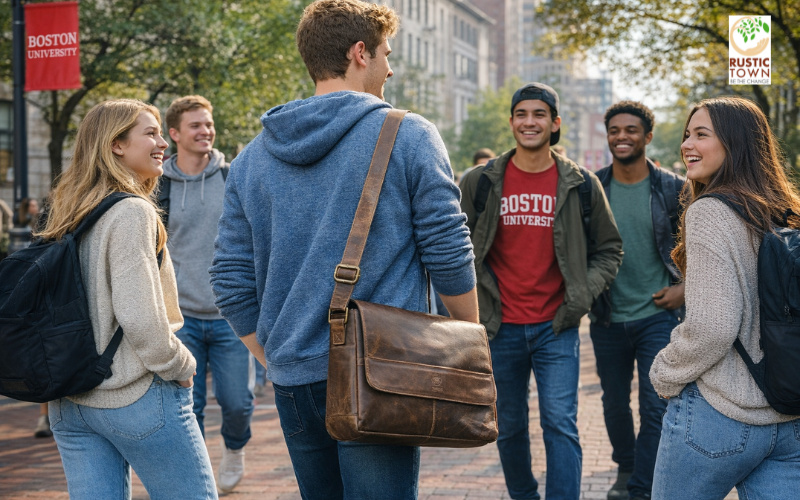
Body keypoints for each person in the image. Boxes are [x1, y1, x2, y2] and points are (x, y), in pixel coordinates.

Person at [209, 0, 479, 498]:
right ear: (360, 53)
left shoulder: (251, 158)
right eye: (386, 54)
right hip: (380, 370)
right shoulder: (408, 134)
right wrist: (468, 340)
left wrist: (276, 358)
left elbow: (229, 280)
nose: (390, 68)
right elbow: (447, 249)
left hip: (293, 378)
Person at [36, 99, 217, 499]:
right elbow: (140, 317)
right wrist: (181, 365)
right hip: (133, 394)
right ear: (116, 145)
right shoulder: (132, 212)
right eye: (150, 133)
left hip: (70, 401)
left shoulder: (67, 209)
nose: (162, 144)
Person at [460, 83, 623, 500]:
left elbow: (609, 249)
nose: (529, 122)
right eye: (521, 114)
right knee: (509, 426)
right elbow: (455, 247)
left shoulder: (581, 184)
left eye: (539, 114)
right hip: (499, 327)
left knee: (560, 425)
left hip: (557, 326)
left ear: (555, 123)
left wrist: (582, 295)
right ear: (511, 121)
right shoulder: (480, 181)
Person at [650, 96, 800, 499]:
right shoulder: (785, 212)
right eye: (687, 134)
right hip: (789, 417)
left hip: (719, 414)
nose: (687, 144)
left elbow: (712, 327)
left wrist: (664, 371)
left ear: (736, 143)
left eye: (702, 134)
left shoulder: (710, 211)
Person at [592, 101, 685, 500]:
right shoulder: (592, 187)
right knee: (614, 403)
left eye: (631, 130)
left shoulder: (674, 188)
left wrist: (686, 287)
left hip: (657, 314)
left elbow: (698, 248)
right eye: (614, 130)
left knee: (655, 405)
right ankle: (626, 465)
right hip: (607, 315)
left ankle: (641, 487)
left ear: (647, 136)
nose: (622, 137)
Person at [161, 95, 254, 494]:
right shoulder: (160, 186)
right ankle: (197, 477)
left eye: (209, 124)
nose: (206, 131)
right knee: (189, 407)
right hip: (181, 317)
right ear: (175, 133)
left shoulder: (231, 177)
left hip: (231, 315)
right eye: (196, 125)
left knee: (237, 403)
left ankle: (234, 447)